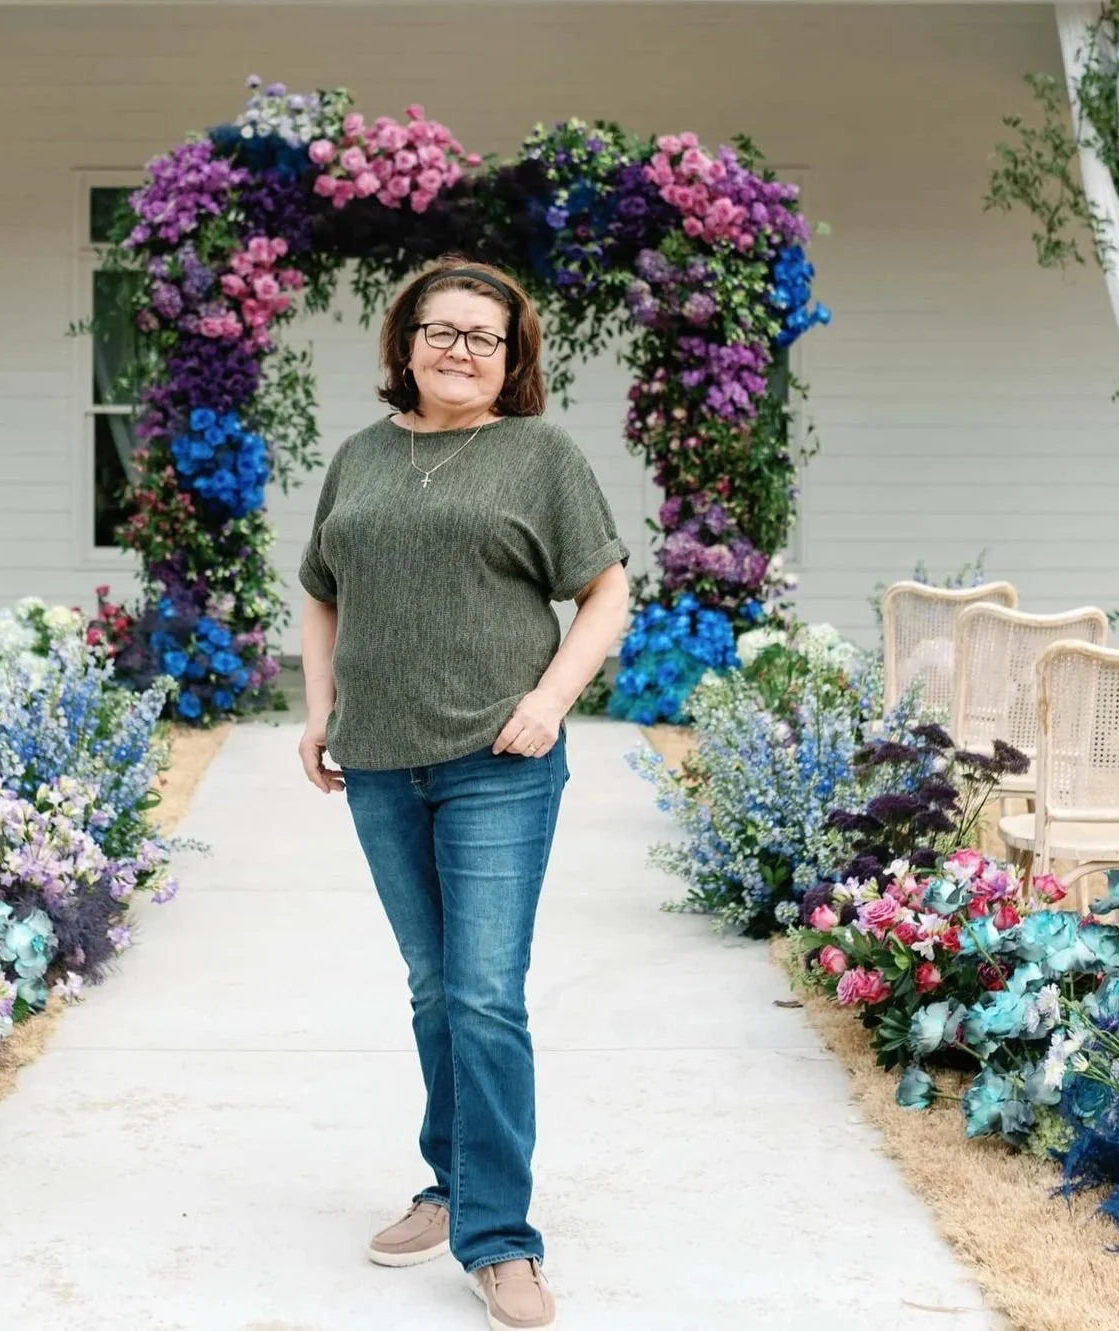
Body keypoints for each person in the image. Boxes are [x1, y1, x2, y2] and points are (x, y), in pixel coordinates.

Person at [296, 257, 631, 1331]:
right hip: (382, 761)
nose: (456, 350)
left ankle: (500, 1238)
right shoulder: (358, 457)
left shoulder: (539, 456)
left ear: (511, 358)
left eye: (481, 338)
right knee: (436, 986)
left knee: (485, 991)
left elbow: (605, 589)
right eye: (438, 330)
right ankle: (448, 1185)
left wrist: (550, 699)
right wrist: (318, 710)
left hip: (500, 758)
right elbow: (320, 593)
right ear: (404, 343)